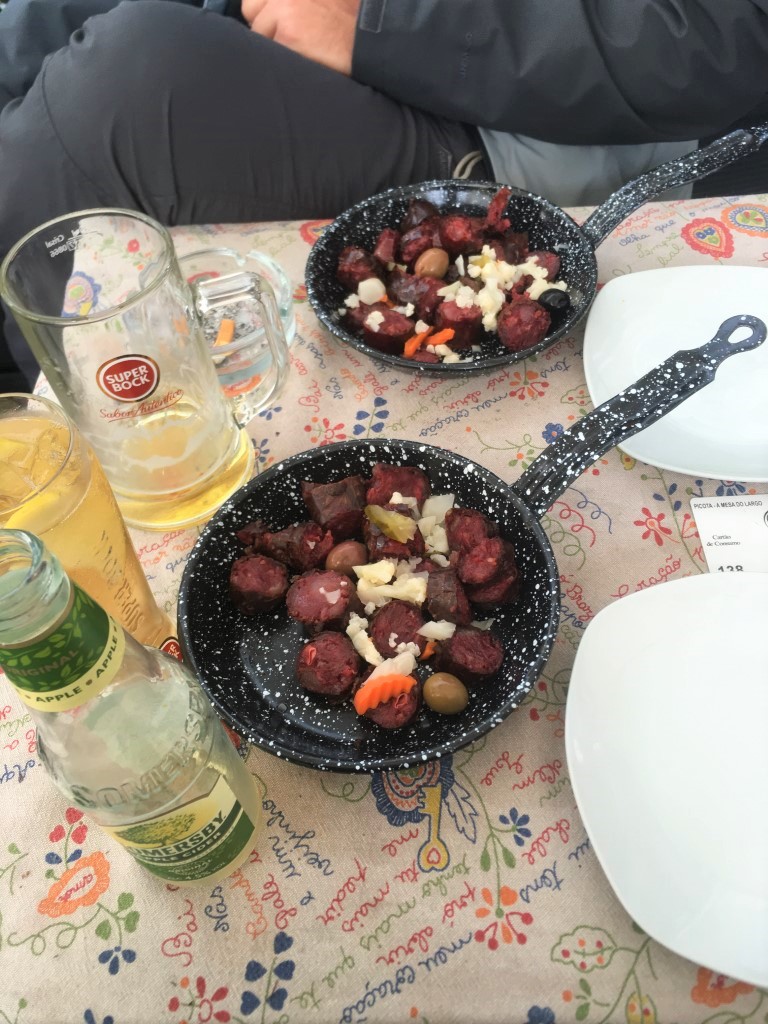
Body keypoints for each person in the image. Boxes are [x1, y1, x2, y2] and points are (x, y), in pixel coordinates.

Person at [1, 0, 767, 390]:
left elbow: (730, 35)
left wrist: (385, 25)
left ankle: (73, 494)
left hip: (534, 99)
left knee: (117, 97)